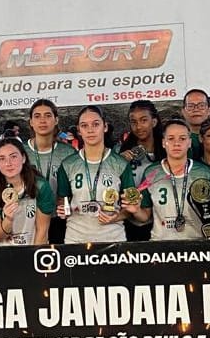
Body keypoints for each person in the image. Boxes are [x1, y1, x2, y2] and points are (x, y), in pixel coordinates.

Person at [56, 106, 138, 243]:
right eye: (84, 125)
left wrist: (116, 217)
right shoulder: (68, 164)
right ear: (79, 131)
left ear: (105, 127)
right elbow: (62, 199)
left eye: (95, 124)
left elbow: (130, 206)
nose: (90, 130)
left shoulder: (120, 163)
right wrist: (63, 210)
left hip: (112, 238)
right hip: (76, 239)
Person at [138, 119, 210, 241]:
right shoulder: (151, 172)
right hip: (161, 245)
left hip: (197, 242)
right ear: (163, 142)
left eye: (182, 138)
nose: (177, 143)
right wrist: (134, 210)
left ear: (190, 142)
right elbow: (145, 215)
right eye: (171, 139)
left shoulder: (203, 172)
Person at [23, 99, 77, 244]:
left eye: (48, 115)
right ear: (31, 122)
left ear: (56, 120)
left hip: (60, 220)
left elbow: (75, 188)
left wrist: (67, 204)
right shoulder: (20, 152)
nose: (42, 121)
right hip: (28, 221)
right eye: (37, 116)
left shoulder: (68, 152)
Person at [0, 138, 54, 245]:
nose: (8, 163)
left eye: (13, 157)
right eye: (2, 159)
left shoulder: (40, 186)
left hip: (32, 250)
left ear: (24, 158)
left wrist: (34, 256)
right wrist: (9, 219)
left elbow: (42, 231)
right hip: (4, 254)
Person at [117, 100, 164, 241]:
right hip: (128, 220)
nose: (138, 126)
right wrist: (118, 163)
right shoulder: (120, 152)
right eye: (133, 122)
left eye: (144, 120)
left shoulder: (166, 152)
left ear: (154, 122)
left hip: (159, 220)